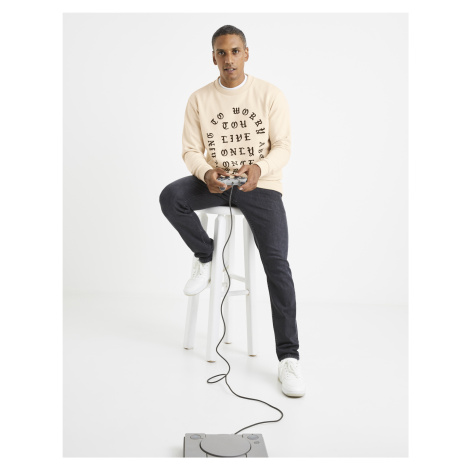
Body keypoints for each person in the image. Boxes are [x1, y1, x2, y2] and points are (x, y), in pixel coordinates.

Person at [159, 25, 306, 397]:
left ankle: (288, 359)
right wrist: (206, 174)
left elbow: (283, 146)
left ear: (246, 54)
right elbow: (191, 150)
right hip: (217, 181)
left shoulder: (269, 94)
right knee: (171, 197)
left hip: (260, 184)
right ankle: (208, 257)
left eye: (235, 51)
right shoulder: (199, 99)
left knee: (277, 265)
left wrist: (259, 169)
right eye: (221, 52)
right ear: (213, 57)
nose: (229, 59)